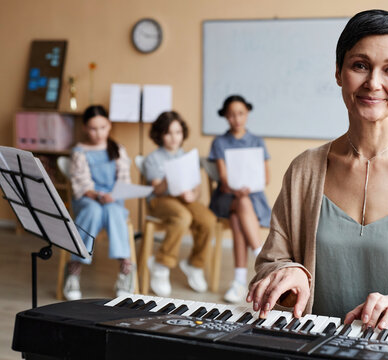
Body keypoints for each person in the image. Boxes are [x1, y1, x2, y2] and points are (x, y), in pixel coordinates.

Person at [247, 9, 388, 330]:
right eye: (360, 65)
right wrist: (291, 273)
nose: (373, 83)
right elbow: (272, 262)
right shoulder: (304, 170)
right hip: (310, 349)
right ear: (339, 72)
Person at [63, 105, 135, 301]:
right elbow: (82, 183)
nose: (98, 133)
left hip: (113, 201)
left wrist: (113, 194)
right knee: (93, 212)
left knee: (113, 212)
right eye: (93, 128)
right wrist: (97, 195)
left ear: (109, 126)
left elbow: (124, 180)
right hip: (88, 200)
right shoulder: (79, 151)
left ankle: (125, 270)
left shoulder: (117, 149)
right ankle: (74, 269)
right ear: (85, 128)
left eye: (102, 127)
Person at [143, 111, 217, 296]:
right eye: (168, 133)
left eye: (177, 132)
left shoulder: (187, 156)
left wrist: (192, 195)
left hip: (183, 199)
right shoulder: (153, 159)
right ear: (160, 135)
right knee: (182, 217)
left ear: (182, 133)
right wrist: (169, 178)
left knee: (208, 219)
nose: (174, 137)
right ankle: (161, 264)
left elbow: (197, 187)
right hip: (161, 200)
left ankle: (194, 264)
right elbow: (157, 190)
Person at [209, 95, 272, 303]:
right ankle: (262, 256)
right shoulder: (219, 142)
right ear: (226, 117)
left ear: (247, 114)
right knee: (241, 204)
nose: (237, 119)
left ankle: (238, 282)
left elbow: (266, 178)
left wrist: (248, 187)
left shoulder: (257, 141)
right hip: (226, 197)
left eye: (241, 114)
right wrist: (236, 190)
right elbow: (224, 181)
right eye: (232, 115)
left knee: (238, 218)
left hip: (252, 198)